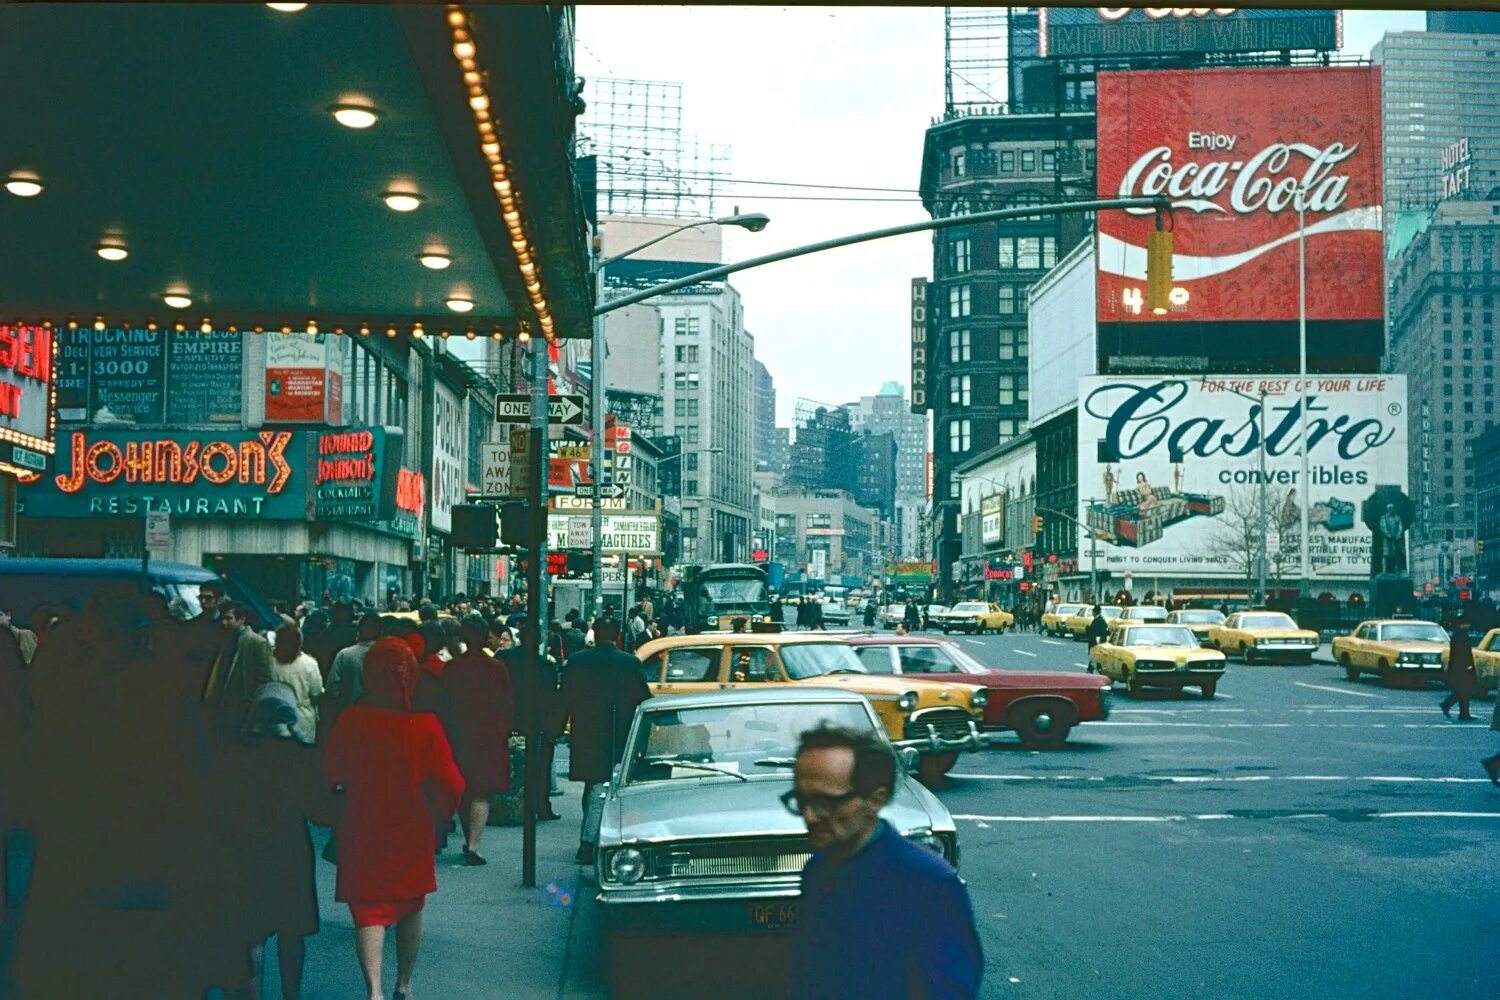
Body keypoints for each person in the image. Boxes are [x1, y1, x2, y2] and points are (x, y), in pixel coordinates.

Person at [785, 724, 982, 1000]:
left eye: (825, 802)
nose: (810, 816)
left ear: (875, 800)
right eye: (801, 800)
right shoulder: (817, 869)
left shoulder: (929, 885)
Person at [324, 638, 465, 1000]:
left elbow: (330, 772)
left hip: (362, 821)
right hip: (411, 824)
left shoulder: (351, 721)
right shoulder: (425, 724)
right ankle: (404, 983)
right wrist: (442, 814)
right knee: (410, 901)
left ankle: (374, 990)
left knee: (369, 908)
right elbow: (451, 781)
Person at [225, 683, 338, 1000]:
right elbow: (320, 812)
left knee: (252, 934)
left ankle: (253, 994)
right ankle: (291, 994)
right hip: (290, 850)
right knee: (292, 933)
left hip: (247, 849)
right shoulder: (300, 755)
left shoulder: (237, 753)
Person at [554, 616, 651, 864]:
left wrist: (556, 728)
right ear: (617, 635)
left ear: (594, 634)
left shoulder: (577, 662)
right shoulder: (629, 663)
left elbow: (564, 697)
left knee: (593, 785)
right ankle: (591, 841)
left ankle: (590, 838)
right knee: (605, 786)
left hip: (586, 732)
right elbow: (643, 698)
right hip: (619, 733)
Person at [443, 614, 515, 866]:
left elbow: (445, 704)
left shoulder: (451, 668)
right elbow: (507, 704)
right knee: (481, 791)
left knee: (463, 789)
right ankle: (474, 844)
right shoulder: (496, 668)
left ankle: (469, 839)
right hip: (488, 735)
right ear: (486, 637)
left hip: (459, 734)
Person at [504, 621, 560, 822]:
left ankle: (509, 804)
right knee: (541, 767)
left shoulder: (505, 659)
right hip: (537, 723)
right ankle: (541, 806)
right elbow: (552, 699)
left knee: (510, 765)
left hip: (509, 720)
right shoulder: (546, 667)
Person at [203, 602, 274, 727]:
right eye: (223, 618)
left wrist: (251, 704)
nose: (224, 622)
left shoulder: (257, 642)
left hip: (241, 708)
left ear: (242, 619)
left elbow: (265, 678)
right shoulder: (225, 639)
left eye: (228, 618)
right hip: (221, 704)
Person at [267, 616, 324, 745]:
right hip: (302, 719)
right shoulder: (309, 663)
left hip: (276, 716)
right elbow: (317, 693)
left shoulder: (269, 661)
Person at [324, 613, 383, 729]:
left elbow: (332, 690)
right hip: (380, 719)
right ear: (381, 633)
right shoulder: (387, 655)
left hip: (349, 718)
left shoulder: (345, 655)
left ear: (359, 631)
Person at [1440, 615, 1477, 721]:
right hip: (1462, 668)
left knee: (1463, 691)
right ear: (1462, 624)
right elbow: (1463, 654)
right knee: (1464, 691)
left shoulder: (1458, 635)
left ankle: (1464, 713)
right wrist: (1468, 666)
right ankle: (1448, 705)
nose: (1468, 625)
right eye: (1466, 624)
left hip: (1458, 668)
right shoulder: (1461, 636)